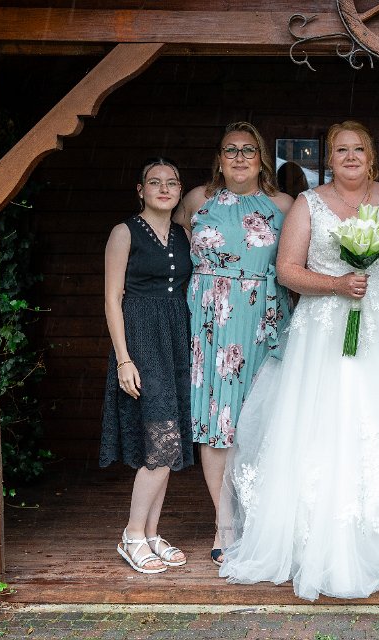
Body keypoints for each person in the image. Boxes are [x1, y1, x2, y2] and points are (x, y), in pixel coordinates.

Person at [218, 120, 379, 601]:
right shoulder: (308, 204)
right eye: (341, 150)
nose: (350, 157)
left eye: (359, 149)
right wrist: (336, 285)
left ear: (372, 157)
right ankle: (313, 536)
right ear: (329, 159)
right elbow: (287, 270)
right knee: (324, 424)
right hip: (325, 332)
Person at [177, 122, 292, 567]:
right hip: (212, 322)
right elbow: (172, 243)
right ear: (219, 160)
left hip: (264, 320)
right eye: (231, 150)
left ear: (262, 158)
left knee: (260, 420)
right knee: (216, 419)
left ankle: (258, 515)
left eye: (248, 150)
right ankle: (224, 521)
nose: (240, 157)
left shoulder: (283, 205)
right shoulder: (197, 201)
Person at [101, 157, 193, 574]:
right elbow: (112, 298)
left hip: (176, 338)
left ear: (179, 190)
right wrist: (124, 358)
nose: (164, 188)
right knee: (161, 439)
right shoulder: (124, 232)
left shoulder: (183, 234)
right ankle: (133, 534)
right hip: (140, 338)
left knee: (169, 441)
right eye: (155, 182)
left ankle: (152, 534)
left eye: (171, 182)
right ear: (141, 190)